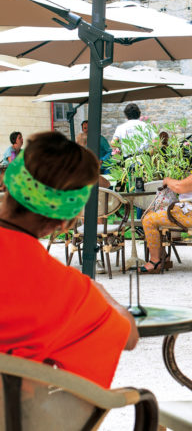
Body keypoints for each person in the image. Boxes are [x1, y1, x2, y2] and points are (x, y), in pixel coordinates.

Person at [0, 132, 138, 387]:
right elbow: (128, 335)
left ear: (7, 182)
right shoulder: (66, 288)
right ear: (65, 220)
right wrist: (99, 292)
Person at [140, 146, 192, 273]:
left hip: (191, 216)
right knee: (154, 216)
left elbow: (179, 187)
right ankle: (162, 255)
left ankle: (155, 261)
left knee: (148, 219)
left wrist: (167, 180)